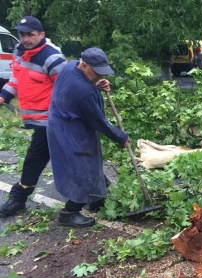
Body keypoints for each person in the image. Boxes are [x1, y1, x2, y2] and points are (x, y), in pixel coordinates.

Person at [47, 48, 129, 227]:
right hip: (70, 131)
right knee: (82, 168)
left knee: (91, 164)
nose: (100, 76)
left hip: (61, 123)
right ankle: (70, 212)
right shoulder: (83, 91)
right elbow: (99, 121)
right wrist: (121, 137)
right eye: (97, 73)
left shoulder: (70, 67)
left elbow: (83, 90)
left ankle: (97, 199)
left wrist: (95, 85)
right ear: (84, 65)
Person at [0, 16, 66, 218]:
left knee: (35, 161)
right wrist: (4, 96)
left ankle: (18, 199)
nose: (25, 38)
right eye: (22, 34)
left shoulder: (53, 58)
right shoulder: (20, 51)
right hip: (36, 120)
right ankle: (98, 194)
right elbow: (16, 79)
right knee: (72, 156)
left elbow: (68, 89)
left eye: (31, 34)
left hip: (52, 121)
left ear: (42, 35)